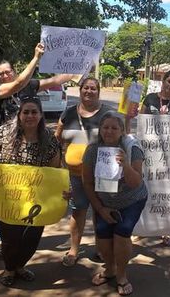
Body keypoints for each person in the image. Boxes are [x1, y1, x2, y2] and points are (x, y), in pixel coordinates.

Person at [0, 91, 66, 287]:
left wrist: (63, 189)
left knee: (31, 237)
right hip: (8, 197)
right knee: (9, 238)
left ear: (40, 115)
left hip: (36, 199)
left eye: (34, 112)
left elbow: (56, 170)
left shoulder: (49, 140)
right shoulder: (4, 133)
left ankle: (20, 266)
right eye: (26, 112)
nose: (30, 116)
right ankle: (9, 268)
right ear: (19, 115)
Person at [0, 42, 72, 253]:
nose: (5, 75)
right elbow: (17, 84)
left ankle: (25, 231)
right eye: (1, 73)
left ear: (14, 71)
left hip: (32, 146)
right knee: (4, 192)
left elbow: (54, 80)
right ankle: (0, 239)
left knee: (28, 191)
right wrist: (36, 58)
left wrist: (78, 69)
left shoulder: (29, 85)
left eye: (8, 71)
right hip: (7, 147)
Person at [82, 112, 147, 296]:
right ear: (100, 130)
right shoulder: (93, 150)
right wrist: (100, 209)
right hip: (105, 201)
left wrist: (125, 165)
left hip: (132, 199)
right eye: (105, 127)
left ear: (122, 131)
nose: (109, 131)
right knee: (103, 236)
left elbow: (136, 182)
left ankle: (121, 275)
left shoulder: (131, 148)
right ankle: (109, 269)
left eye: (114, 128)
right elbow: (87, 182)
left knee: (121, 233)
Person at [55, 77, 111, 266]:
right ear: (80, 90)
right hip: (75, 176)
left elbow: (119, 138)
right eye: (85, 88)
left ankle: (101, 249)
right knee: (78, 211)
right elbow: (58, 139)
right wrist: (59, 170)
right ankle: (73, 250)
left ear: (98, 91)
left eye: (93, 88)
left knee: (100, 212)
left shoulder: (107, 114)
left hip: (101, 175)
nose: (89, 91)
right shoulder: (69, 113)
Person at [137, 69, 170, 246]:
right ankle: (144, 227)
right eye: (169, 81)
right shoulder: (150, 98)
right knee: (147, 189)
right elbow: (140, 120)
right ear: (163, 81)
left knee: (168, 191)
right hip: (150, 152)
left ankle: (165, 230)